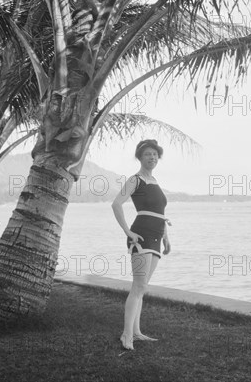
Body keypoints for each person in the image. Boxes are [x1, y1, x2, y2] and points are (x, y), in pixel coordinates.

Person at [111, 139, 171, 350]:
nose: (152, 157)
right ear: (140, 157)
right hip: (142, 234)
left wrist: (166, 236)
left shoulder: (154, 180)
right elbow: (116, 204)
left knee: (142, 287)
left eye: (155, 154)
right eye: (147, 154)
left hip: (156, 236)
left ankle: (136, 332)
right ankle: (126, 335)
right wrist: (128, 231)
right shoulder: (135, 180)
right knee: (138, 286)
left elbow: (159, 213)